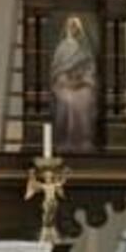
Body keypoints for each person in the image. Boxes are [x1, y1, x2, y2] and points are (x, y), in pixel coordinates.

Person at [49, 16, 97, 151]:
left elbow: (90, 68)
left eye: (75, 26)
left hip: (81, 84)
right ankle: (65, 139)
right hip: (64, 84)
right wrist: (65, 77)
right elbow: (56, 69)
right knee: (67, 101)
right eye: (71, 26)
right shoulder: (62, 47)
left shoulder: (84, 48)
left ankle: (82, 140)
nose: (73, 29)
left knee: (85, 98)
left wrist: (82, 77)